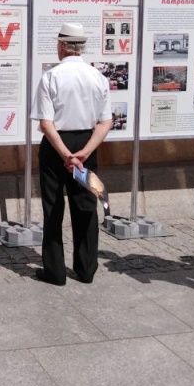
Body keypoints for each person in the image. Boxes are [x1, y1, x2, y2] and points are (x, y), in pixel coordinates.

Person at [31, 22, 114, 285]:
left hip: (57, 146)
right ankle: (86, 269)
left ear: (62, 46)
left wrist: (67, 155)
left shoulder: (51, 77)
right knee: (86, 207)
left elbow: (46, 124)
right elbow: (105, 122)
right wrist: (83, 154)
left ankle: (55, 272)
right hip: (87, 144)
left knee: (53, 207)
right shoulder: (98, 77)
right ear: (81, 47)